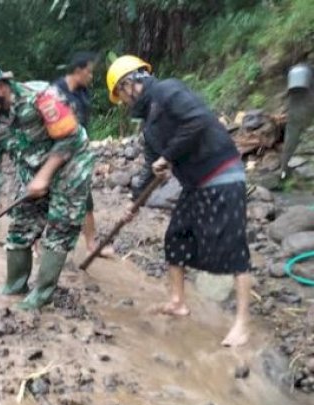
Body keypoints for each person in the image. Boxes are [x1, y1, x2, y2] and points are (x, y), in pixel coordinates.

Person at [107, 55, 251, 347]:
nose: (123, 103)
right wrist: (133, 204)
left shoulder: (167, 90)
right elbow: (151, 169)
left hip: (221, 172)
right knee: (176, 236)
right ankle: (177, 301)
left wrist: (168, 156)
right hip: (195, 183)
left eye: (120, 95)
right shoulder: (148, 125)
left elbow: (198, 120)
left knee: (232, 247)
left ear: (129, 84)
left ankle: (242, 324)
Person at [0, 61, 95, 310]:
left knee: (60, 226)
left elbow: (68, 138)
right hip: (33, 167)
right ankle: (15, 285)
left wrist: (45, 176)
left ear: (0, 87)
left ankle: (42, 295)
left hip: (71, 163)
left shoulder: (41, 97)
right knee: (21, 225)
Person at [55, 51, 115, 258]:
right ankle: (37, 245)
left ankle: (91, 244)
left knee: (86, 199)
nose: (91, 77)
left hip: (79, 154)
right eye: (89, 72)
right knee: (48, 198)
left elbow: (84, 123)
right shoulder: (56, 92)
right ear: (78, 71)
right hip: (57, 153)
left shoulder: (83, 93)